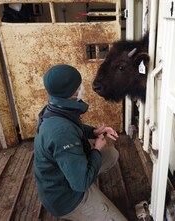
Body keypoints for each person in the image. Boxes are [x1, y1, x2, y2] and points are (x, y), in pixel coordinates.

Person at [34, 64, 128, 221]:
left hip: (68, 176)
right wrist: (97, 149)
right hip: (65, 198)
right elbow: (81, 183)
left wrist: (94, 132)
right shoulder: (61, 133)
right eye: (79, 85)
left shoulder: (54, 106)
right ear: (70, 92)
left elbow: (72, 126)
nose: (82, 87)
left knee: (111, 154)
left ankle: (79, 172)